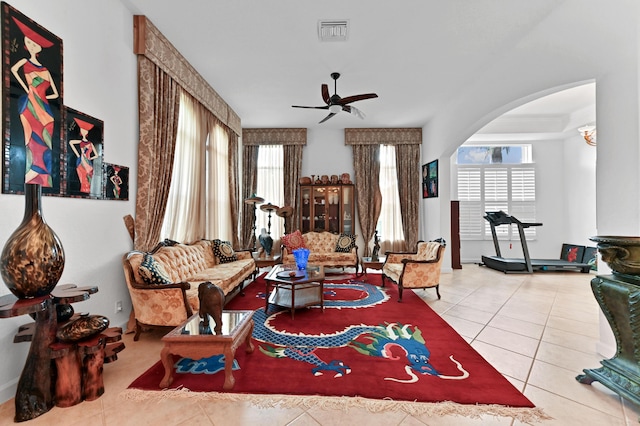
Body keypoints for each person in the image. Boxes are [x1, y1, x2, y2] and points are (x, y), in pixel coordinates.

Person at [10, 17, 59, 187]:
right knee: (30, 140)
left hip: (45, 112)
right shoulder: (24, 62)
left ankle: (43, 178)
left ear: (39, 48)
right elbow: (13, 70)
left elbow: (55, 94)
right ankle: (30, 177)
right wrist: (27, 88)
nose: (31, 45)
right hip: (31, 107)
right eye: (29, 41)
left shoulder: (46, 70)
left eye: (34, 43)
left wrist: (42, 98)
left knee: (45, 144)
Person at [69, 118, 98, 193]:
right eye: (82, 129)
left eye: (85, 130)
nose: (84, 131)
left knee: (88, 179)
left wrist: (89, 158)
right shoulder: (81, 142)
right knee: (83, 179)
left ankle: (86, 192)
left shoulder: (90, 143)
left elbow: (96, 155)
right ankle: (83, 192)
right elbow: (71, 142)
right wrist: (78, 154)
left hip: (88, 163)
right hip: (81, 162)